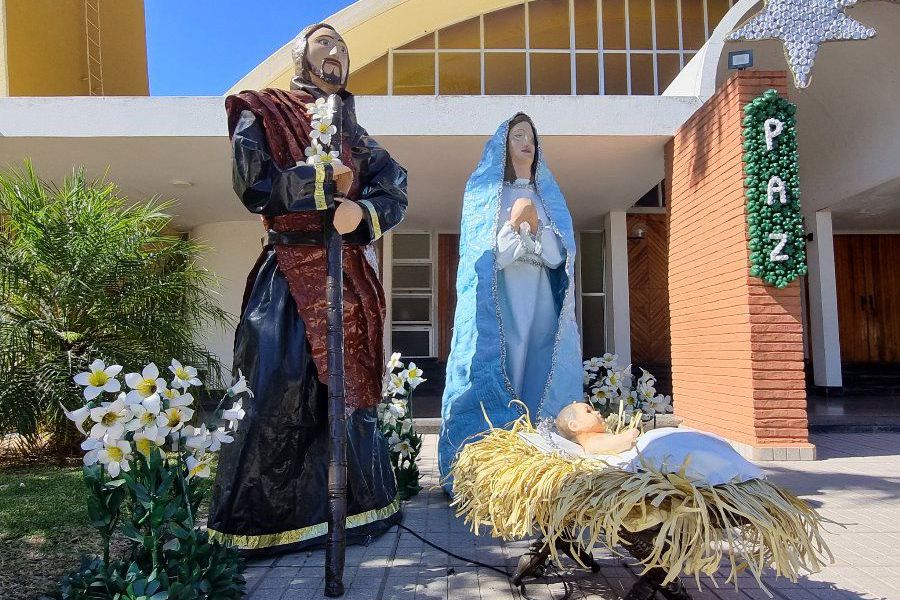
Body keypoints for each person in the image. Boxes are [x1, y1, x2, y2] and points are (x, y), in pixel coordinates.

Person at [207, 23, 407, 554]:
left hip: (346, 277)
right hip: (289, 278)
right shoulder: (263, 108)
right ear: (300, 56)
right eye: (324, 42)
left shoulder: (356, 133)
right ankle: (265, 522)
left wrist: (360, 212)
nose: (336, 51)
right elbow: (254, 184)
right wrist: (318, 183)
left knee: (347, 397)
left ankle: (353, 512)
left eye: (342, 45)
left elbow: (395, 190)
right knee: (278, 385)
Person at [439, 113, 582, 487]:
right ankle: (497, 455)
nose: (526, 142)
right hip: (501, 303)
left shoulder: (549, 197)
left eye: (531, 136)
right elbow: (482, 258)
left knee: (540, 364)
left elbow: (560, 256)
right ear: (503, 144)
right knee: (507, 362)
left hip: (541, 300)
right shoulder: (487, 196)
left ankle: (543, 455)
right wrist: (514, 228)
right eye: (517, 135)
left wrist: (537, 230)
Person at [555, 402, 640, 455]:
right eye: (588, 411)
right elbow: (625, 441)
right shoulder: (592, 443)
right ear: (574, 426)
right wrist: (633, 433)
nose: (597, 412)